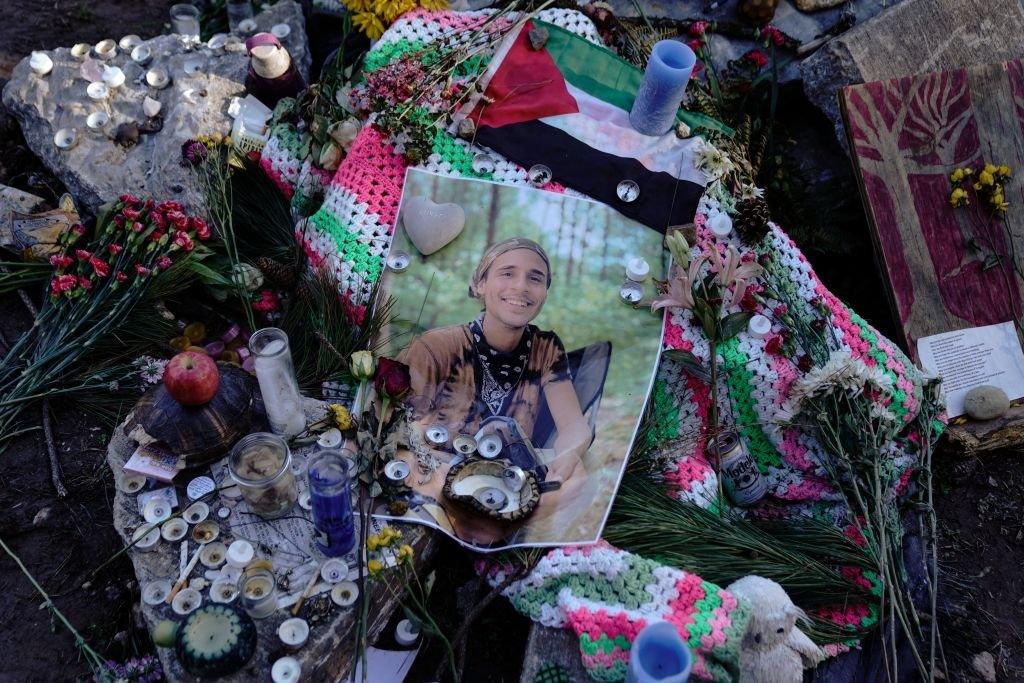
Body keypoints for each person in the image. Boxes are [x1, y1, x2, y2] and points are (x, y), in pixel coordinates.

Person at [394, 237, 592, 545]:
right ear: (480, 284)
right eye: (507, 273)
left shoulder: (545, 348)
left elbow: (574, 425)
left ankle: (491, 525)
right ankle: (475, 524)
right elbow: (399, 432)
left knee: (577, 475)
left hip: (509, 476)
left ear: (544, 292)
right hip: (441, 469)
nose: (521, 287)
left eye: (535, 278)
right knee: (413, 468)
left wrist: (567, 457)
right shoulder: (436, 346)